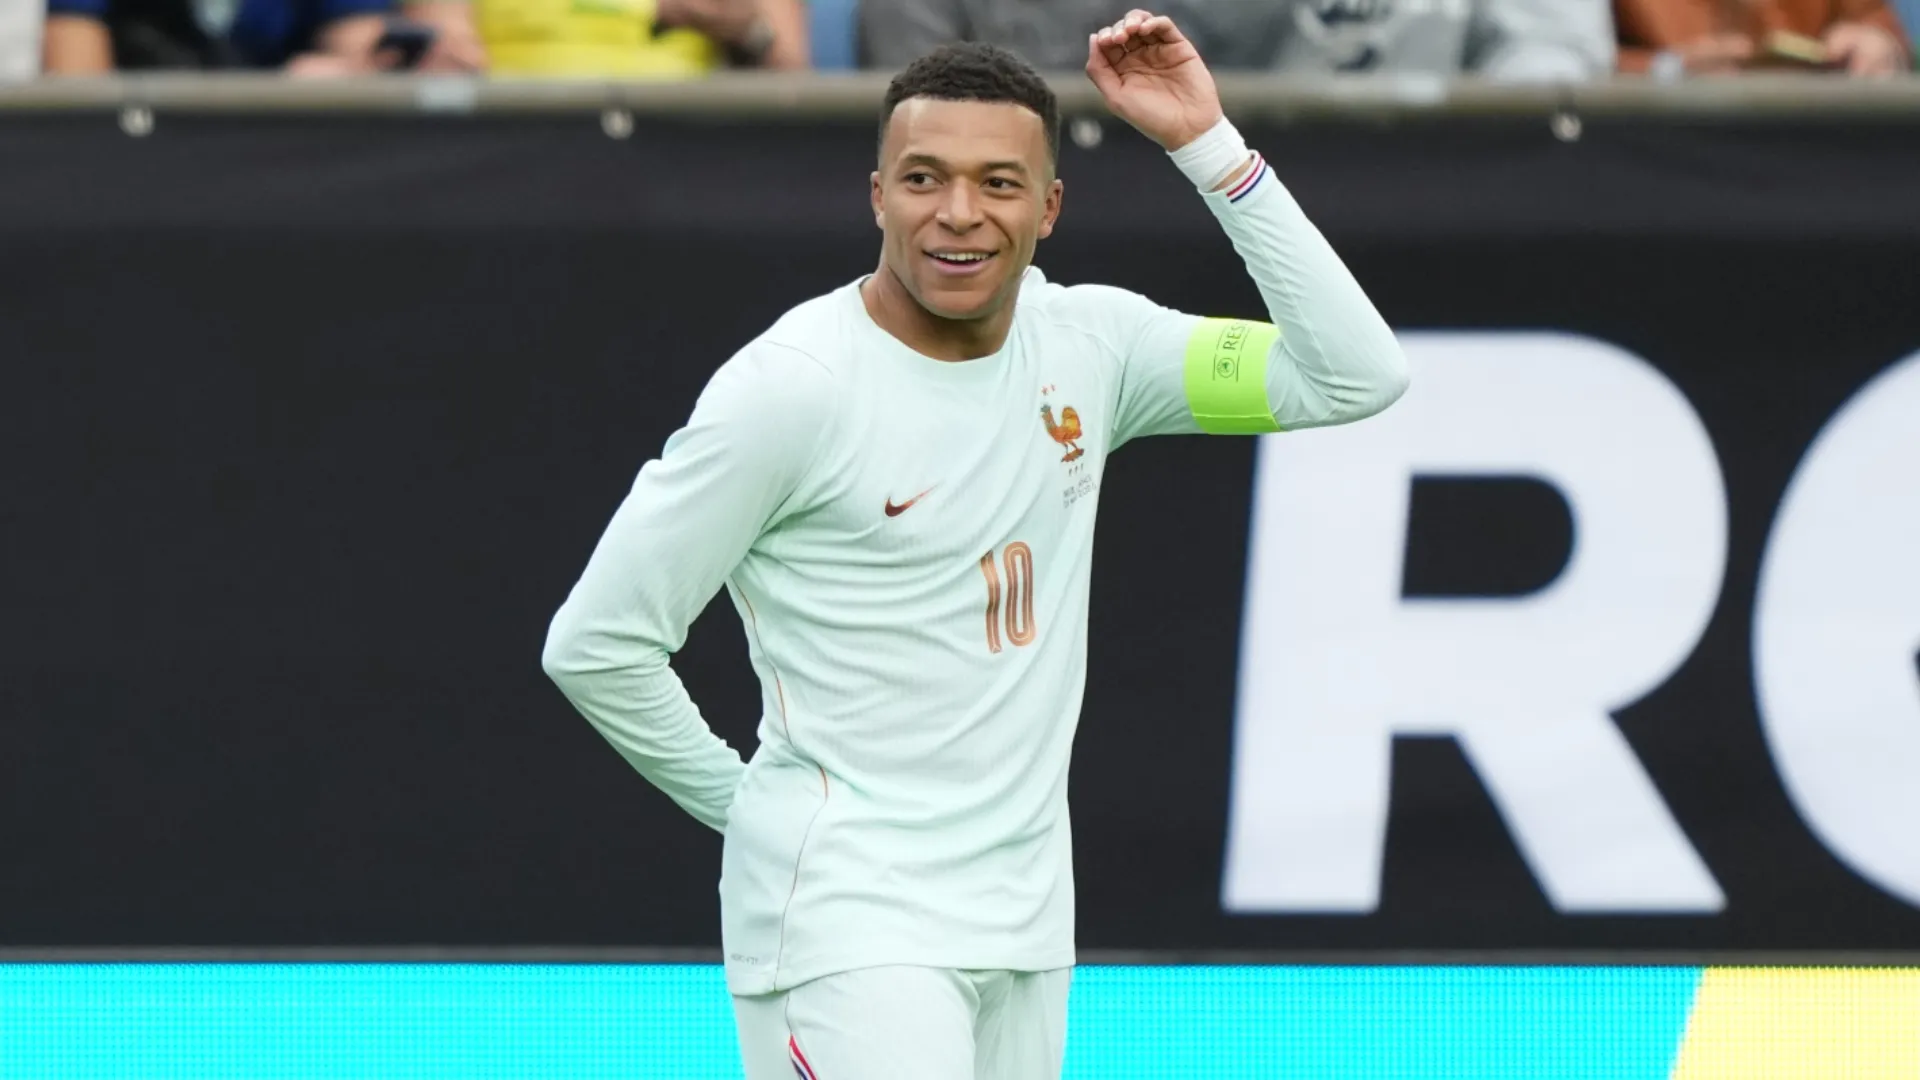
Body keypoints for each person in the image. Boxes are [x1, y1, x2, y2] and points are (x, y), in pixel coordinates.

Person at [542, 12, 1407, 1079]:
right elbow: (598, 642)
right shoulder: (789, 392)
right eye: (923, 179)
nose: (959, 214)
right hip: (849, 925)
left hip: (1028, 922)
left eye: (999, 183)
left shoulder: (1097, 345)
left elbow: (1355, 376)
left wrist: (1206, 144)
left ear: (1048, 208)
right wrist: (759, 814)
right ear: (876, 197)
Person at [39, 0, 484, 73]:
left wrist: (368, 71)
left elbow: (358, 41)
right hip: (141, 166)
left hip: (278, 169)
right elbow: (79, 90)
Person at [479, 0, 808, 78]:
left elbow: (795, 81)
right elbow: (446, 48)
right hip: (516, 137)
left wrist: (746, 32)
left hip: (680, 147)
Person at [1613, 0, 1909, 76]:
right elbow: (1576, 62)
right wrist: (1667, 69)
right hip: (1662, 152)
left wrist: (1881, 44)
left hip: (1810, 148)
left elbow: (1879, 25)